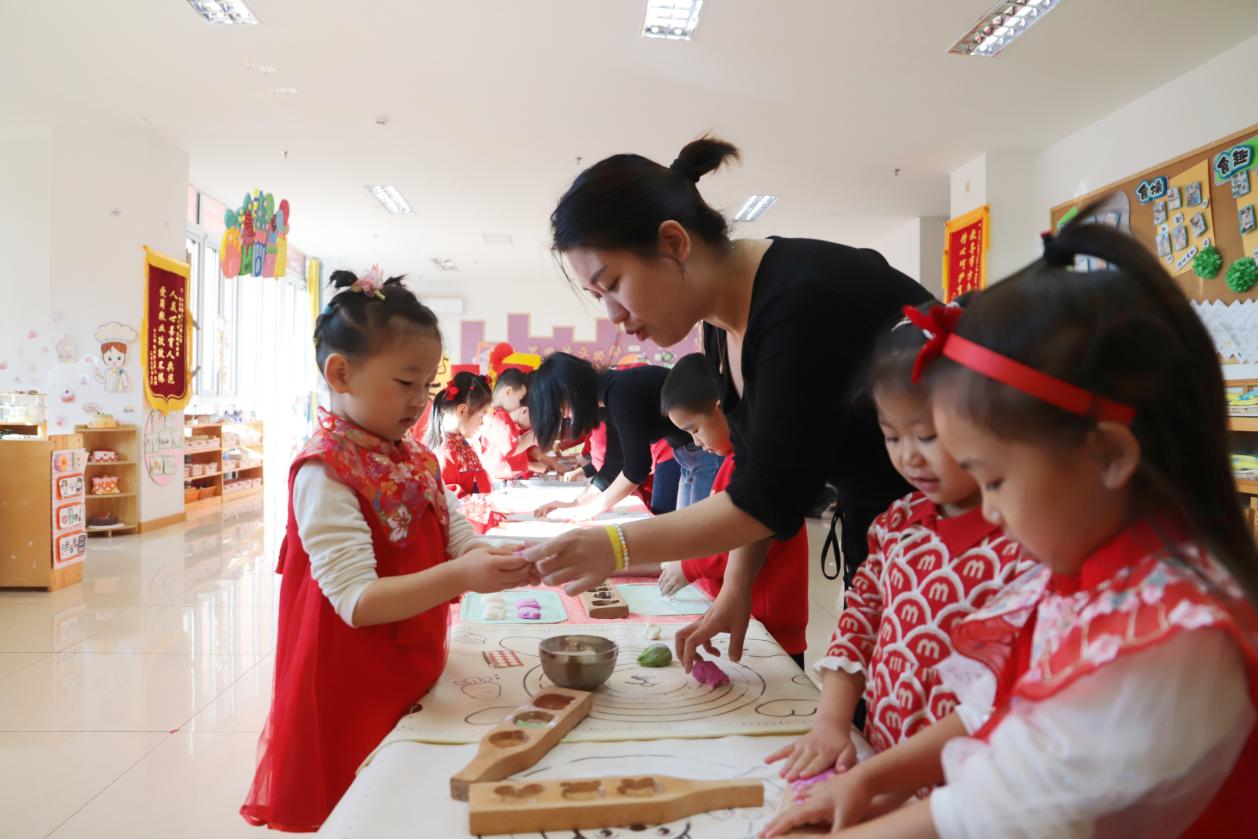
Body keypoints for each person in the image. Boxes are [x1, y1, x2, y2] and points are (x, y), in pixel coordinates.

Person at [764, 216, 1258, 838]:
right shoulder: (1088, 574)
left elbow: (1007, 807)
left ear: (1109, 455)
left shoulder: (1169, 636)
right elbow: (993, 711)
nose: (991, 512)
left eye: (994, 480)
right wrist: (868, 780)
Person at [522, 135, 932, 669]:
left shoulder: (800, 302)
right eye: (600, 298)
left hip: (957, 547)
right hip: (885, 536)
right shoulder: (720, 324)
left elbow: (767, 497)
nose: (615, 317)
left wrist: (614, 546)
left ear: (674, 243)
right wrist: (736, 589)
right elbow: (755, 473)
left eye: (614, 284)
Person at [240, 268, 533, 831]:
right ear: (341, 373)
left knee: (409, 789)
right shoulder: (325, 470)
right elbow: (357, 600)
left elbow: (454, 532)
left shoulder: (413, 455)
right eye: (405, 383)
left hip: (411, 654)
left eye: (427, 387)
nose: (419, 402)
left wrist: (495, 556)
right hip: (351, 677)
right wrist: (463, 576)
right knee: (362, 801)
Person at [761, 304, 1029, 787]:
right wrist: (832, 721)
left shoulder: (1026, 542)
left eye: (927, 436)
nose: (908, 457)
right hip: (883, 755)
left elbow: (1002, 694)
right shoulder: (898, 521)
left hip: (967, 784)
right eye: (891, 436)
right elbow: (858, 621)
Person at [657, 353, 809, 664]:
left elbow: (731, 539)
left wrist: (689, 566)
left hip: (766, 621)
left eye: (695, 429)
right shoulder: (733, 461)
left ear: (721, 407)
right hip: (746, 615)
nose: (696, 442)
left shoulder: (751, 467)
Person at [526, 352, 690, 520]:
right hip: (686, 454)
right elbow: (614, 464)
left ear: (571, 391)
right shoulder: (611, 398)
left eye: (562, 409)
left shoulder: (620, 393)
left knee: (688, 525)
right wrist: (576, 504)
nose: (566, 416)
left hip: (699, 449)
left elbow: (637, 468)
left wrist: (591, 510)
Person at [428, 371, 492, 498]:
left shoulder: (460, 444)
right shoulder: (445, 452)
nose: (482, 423)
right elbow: (450, 501)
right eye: (481, 416)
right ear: (462, 410)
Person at [477, 368, 535, 483]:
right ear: (508, 392)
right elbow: (510, 449)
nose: (519, 404)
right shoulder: (499, 416)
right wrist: (531, 439)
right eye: (519, 398)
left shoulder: (494, 414)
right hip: (503, 481)